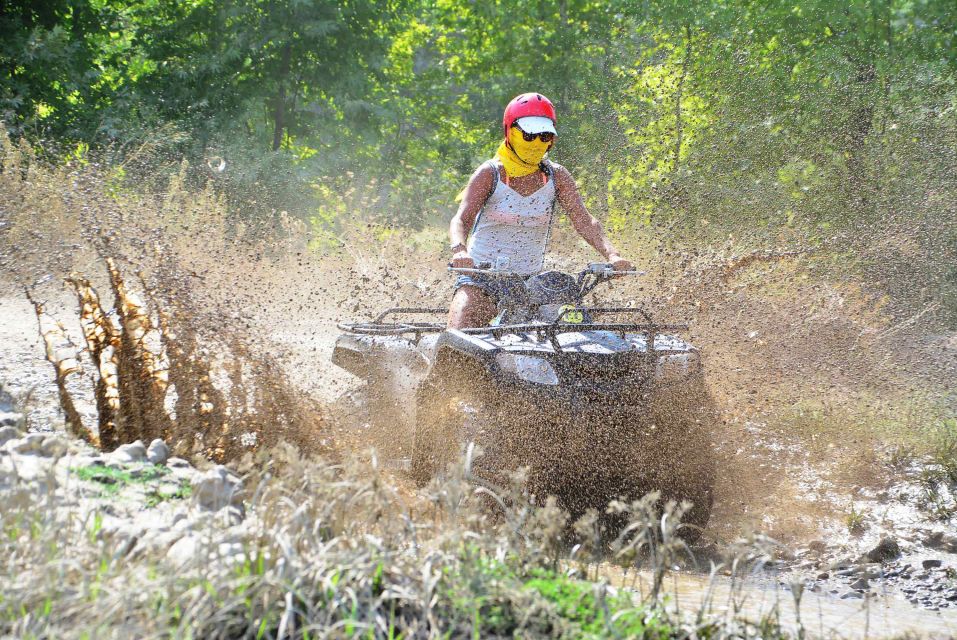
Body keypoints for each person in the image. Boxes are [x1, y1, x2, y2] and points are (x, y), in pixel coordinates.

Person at [448, 92, 633, 328]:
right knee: (460, 337)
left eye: (544, 136)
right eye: (529, 135)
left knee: (571, 334)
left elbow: (584, 221)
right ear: (510, 131)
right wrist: (460, 251)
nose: (537, 143)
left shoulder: (557, 176)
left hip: (532, 285)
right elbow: (461, 220)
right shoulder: (490, 174)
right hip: (481, 280)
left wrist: (613, 255)